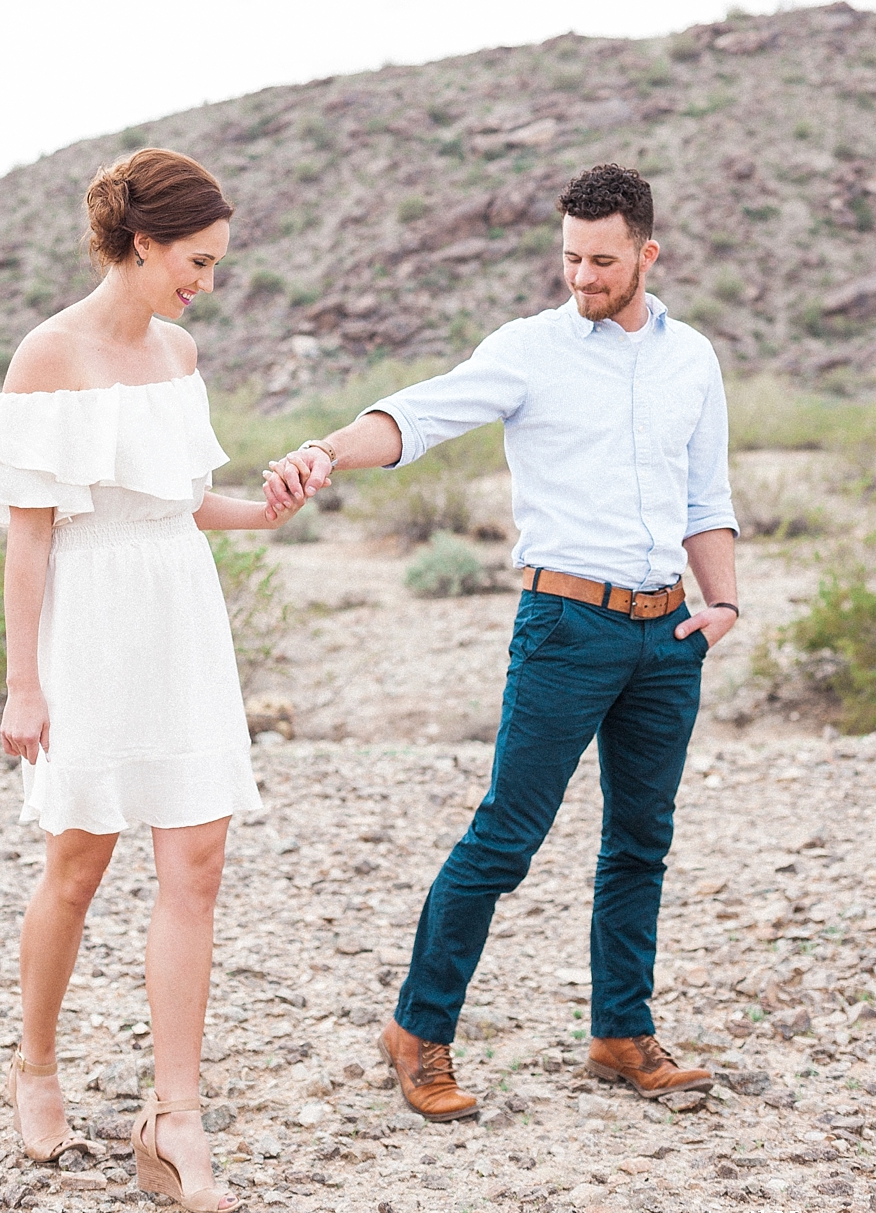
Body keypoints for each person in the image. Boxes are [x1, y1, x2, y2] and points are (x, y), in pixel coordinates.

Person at [263, 163, 739, 1119]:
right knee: (506, 840)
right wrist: (326, 450)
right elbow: (419, 416)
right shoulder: (529, 350)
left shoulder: (693, 358)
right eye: (568, 257)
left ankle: (620, 1033)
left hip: (666, 630)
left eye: (601, 260)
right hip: (565, 625)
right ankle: (419, 1033)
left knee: (640, 841)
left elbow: (706, 495)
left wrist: (721, 604)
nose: (581, 276)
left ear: (647, 254)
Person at [0, 148, 306, 1213]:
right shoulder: (48, 354)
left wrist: (265, 508)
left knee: (195, 863)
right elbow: (28, 540)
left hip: (181, 611)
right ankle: (33, 1064)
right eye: (194, 260)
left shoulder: (179, 348)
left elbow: (184, 498)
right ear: (142, 242)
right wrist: (23, 683)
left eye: (214, 263)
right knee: (78, 861)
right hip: (91, 622)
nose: (203, 280)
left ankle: (174, 1118)